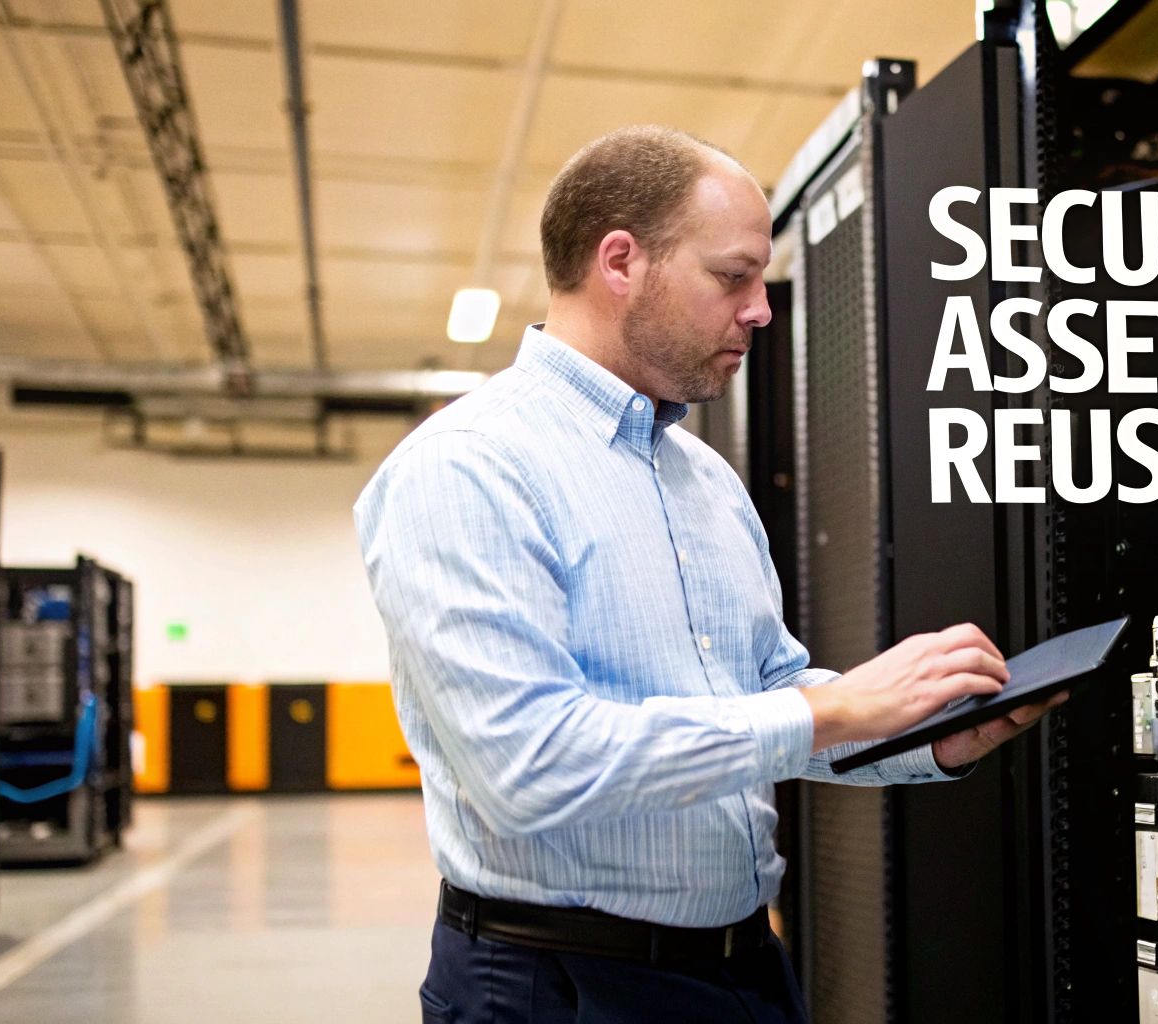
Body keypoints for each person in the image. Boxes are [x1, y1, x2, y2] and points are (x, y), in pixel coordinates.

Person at [355, 125, 1062, 1024]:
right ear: (621, 262)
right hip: (558, 986)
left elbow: (764, 691)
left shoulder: (702, 477)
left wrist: (923, 737)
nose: (762, 308)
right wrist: (835, 706)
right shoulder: (467, 468)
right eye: (733, 276)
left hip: (742, 970)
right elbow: (527, 766)